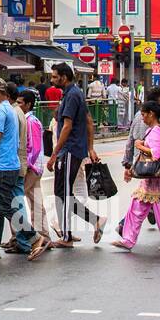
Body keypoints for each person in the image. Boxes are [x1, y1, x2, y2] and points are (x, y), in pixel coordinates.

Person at [0, 78, 48, 261]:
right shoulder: (10, 109)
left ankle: (34, 237)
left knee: (5, 206)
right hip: (2, 164)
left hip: (3, 165)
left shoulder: (1, 110)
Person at [47, 62, 105, 246]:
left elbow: (67, 126)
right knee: (63, 193)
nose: (52, 79)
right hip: (74, 150)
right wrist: (90, 147)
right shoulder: (74, 93)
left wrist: (55, 153)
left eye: (55, 76)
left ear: (64, 77)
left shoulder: (72, 95)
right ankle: (93, 221)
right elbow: (88, 121)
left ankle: (66, 237)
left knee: (62, 194)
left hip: (69, 150)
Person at [113, 102, 160, 253]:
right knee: (136, 208)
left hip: (156, 181)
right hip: (149, 181)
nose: (142, 118)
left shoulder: (156, 131)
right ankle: (128, 240)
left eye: (143, 114)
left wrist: (140, 146)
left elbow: (155, 154)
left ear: (151, 114)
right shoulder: (154, 130)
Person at [19, 90, 50, 245]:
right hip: (34, 166)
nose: (17, 105)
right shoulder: (28, 120)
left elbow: (35, 147)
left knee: (16, 199)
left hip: (32, 167)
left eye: (20, 103)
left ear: (28, 104)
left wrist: (27, 164)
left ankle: (25, 236)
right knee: (35, 200)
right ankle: (43, 235)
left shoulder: (30, 121)